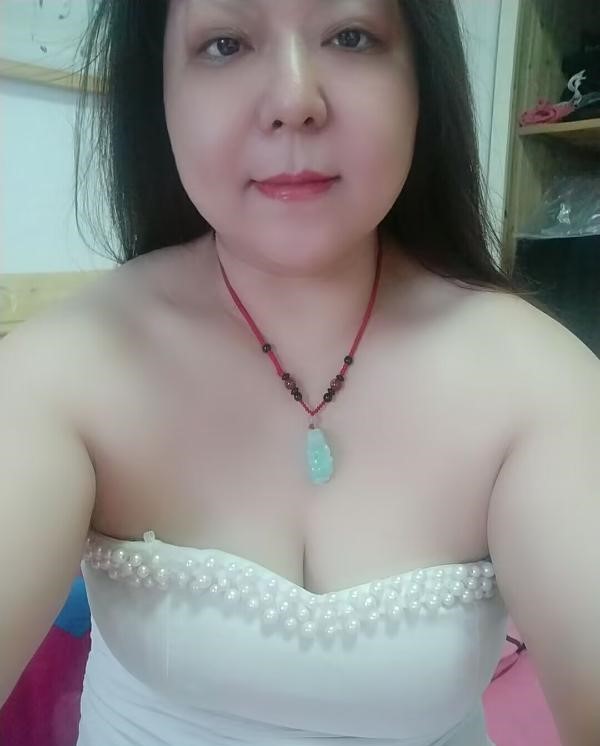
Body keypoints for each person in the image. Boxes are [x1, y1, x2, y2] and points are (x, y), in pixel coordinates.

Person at [1, 1, 599, 745]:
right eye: (225, 44)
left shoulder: (541, 384)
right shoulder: (67, 368)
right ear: (161, 94)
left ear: (421, 82)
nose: (294, 100)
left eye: (351, 36)